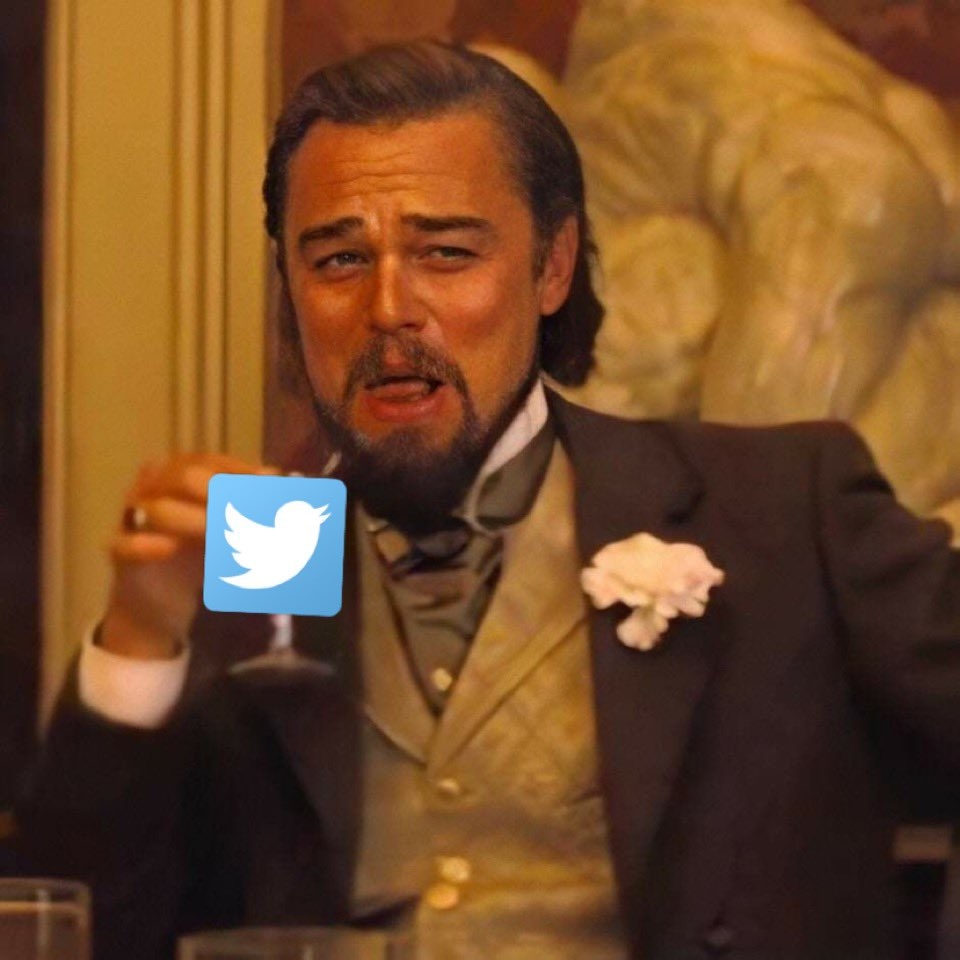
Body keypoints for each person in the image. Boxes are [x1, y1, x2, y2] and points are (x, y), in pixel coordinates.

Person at [17, 40, 960, 960]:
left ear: (552, 267)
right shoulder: (257, 551)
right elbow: (81, 924)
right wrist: (141, 638)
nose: (389, 308)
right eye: (339, 261)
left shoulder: (781, 510)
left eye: (446, 252)